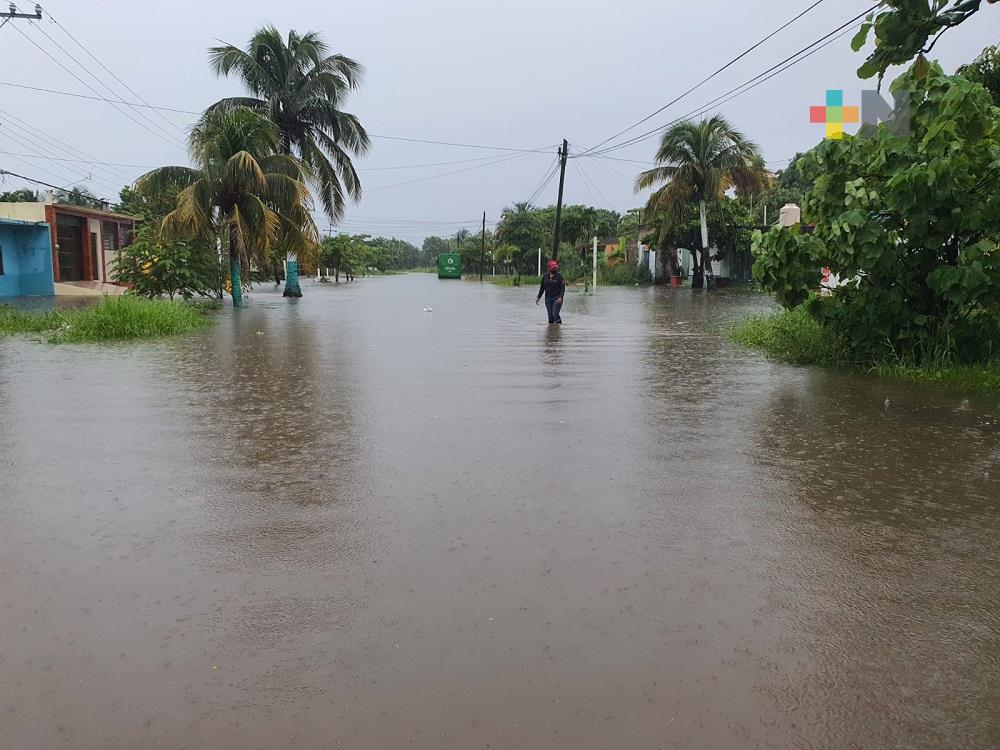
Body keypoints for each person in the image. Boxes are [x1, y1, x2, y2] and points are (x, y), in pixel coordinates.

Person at [536, 259, 565, 324]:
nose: (554, 269)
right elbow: (542, 288)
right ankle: (551, 330)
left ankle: (559, 328)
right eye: (553, 268)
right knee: (550, 317)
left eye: (555, 268)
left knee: (555, 314)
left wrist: (561, 297)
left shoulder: (560, 276)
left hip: (557, 298)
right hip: (548, 299)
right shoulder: (545, 276)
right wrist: (538, 297)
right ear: (549, 268)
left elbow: (562, 288)